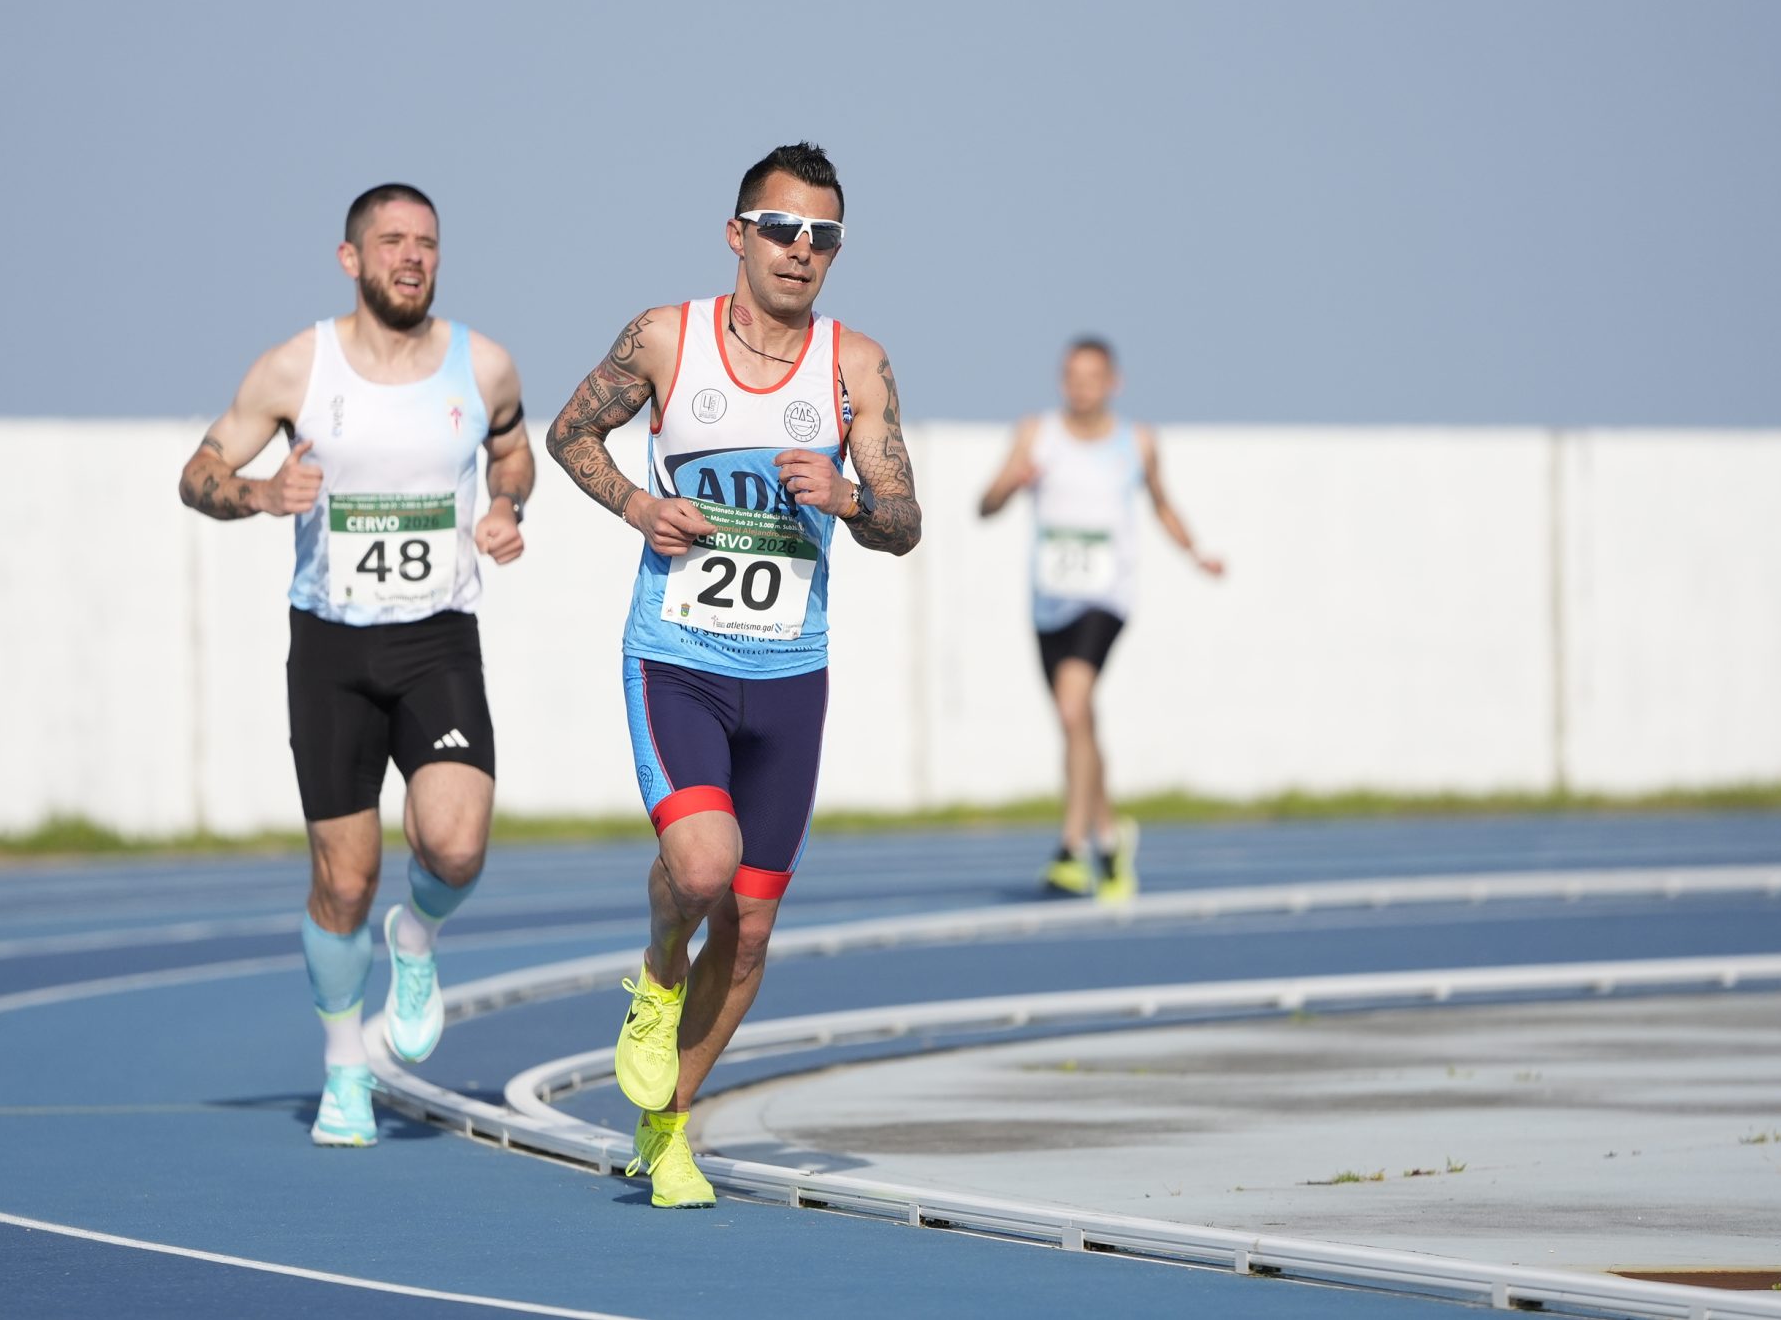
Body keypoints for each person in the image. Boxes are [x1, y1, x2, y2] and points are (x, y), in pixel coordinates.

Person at [546, 142, 921, 1209]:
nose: (801, 250)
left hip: (791, 677)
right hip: (680, 659)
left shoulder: (855, 366)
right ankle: (658, 973)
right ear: (737, 233)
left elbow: (904, 520)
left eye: (823, 236)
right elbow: (571, 432)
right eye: (782, 228)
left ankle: (666, 1129)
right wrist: (637, 504)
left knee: (752, 931)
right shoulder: (668, 339)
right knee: (701, 867)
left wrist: (851, 500)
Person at [178, 183, 533, 1149]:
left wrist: (507, 505)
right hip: (332, 646)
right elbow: (198, 473)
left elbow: (513, 451)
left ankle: (415, 936)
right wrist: (259, 492)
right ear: (352, 258)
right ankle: (345, 1067)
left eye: (426, 242)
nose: (411, 257)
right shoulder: (297, 367)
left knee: (455, 846)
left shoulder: (483, 364)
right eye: (391, 241)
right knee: (344, 880)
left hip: (437, 636)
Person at [977, 337, 1222, 901]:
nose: (1081, 387)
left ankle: (1072, 849)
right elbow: (985, 505)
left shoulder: (1137, 441)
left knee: (1072, 707)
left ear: (1114, 383)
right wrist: (1011, 484)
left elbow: (1161, 502)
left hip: (1106, 598)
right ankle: (1110, 839)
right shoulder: (1037, 434)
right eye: (1072, 376)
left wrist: (1196, 553)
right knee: (1077, 722)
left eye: (1092, 377)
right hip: (1049, 602)